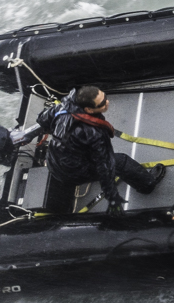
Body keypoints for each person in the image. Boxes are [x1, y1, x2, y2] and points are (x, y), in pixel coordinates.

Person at [37, 86, 166, 214]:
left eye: (105, 98)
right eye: (102, 103)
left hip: (54, 161)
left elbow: (42, 119)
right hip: (71, 171)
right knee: (121, 162)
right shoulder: (92, 133)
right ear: (88, 109)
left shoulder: (62, 108)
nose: (107, 102)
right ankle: (147, 185)